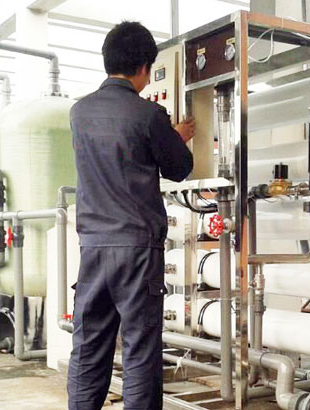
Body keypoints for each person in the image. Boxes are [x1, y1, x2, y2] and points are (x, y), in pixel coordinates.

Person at [67, 21, 194, 410]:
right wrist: (177, 135)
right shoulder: (149, 115)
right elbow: (180, 168)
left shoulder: (78, 112)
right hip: (137, 250)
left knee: (89, 347)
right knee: (140, 350)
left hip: (93, 248)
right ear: (142, 67)